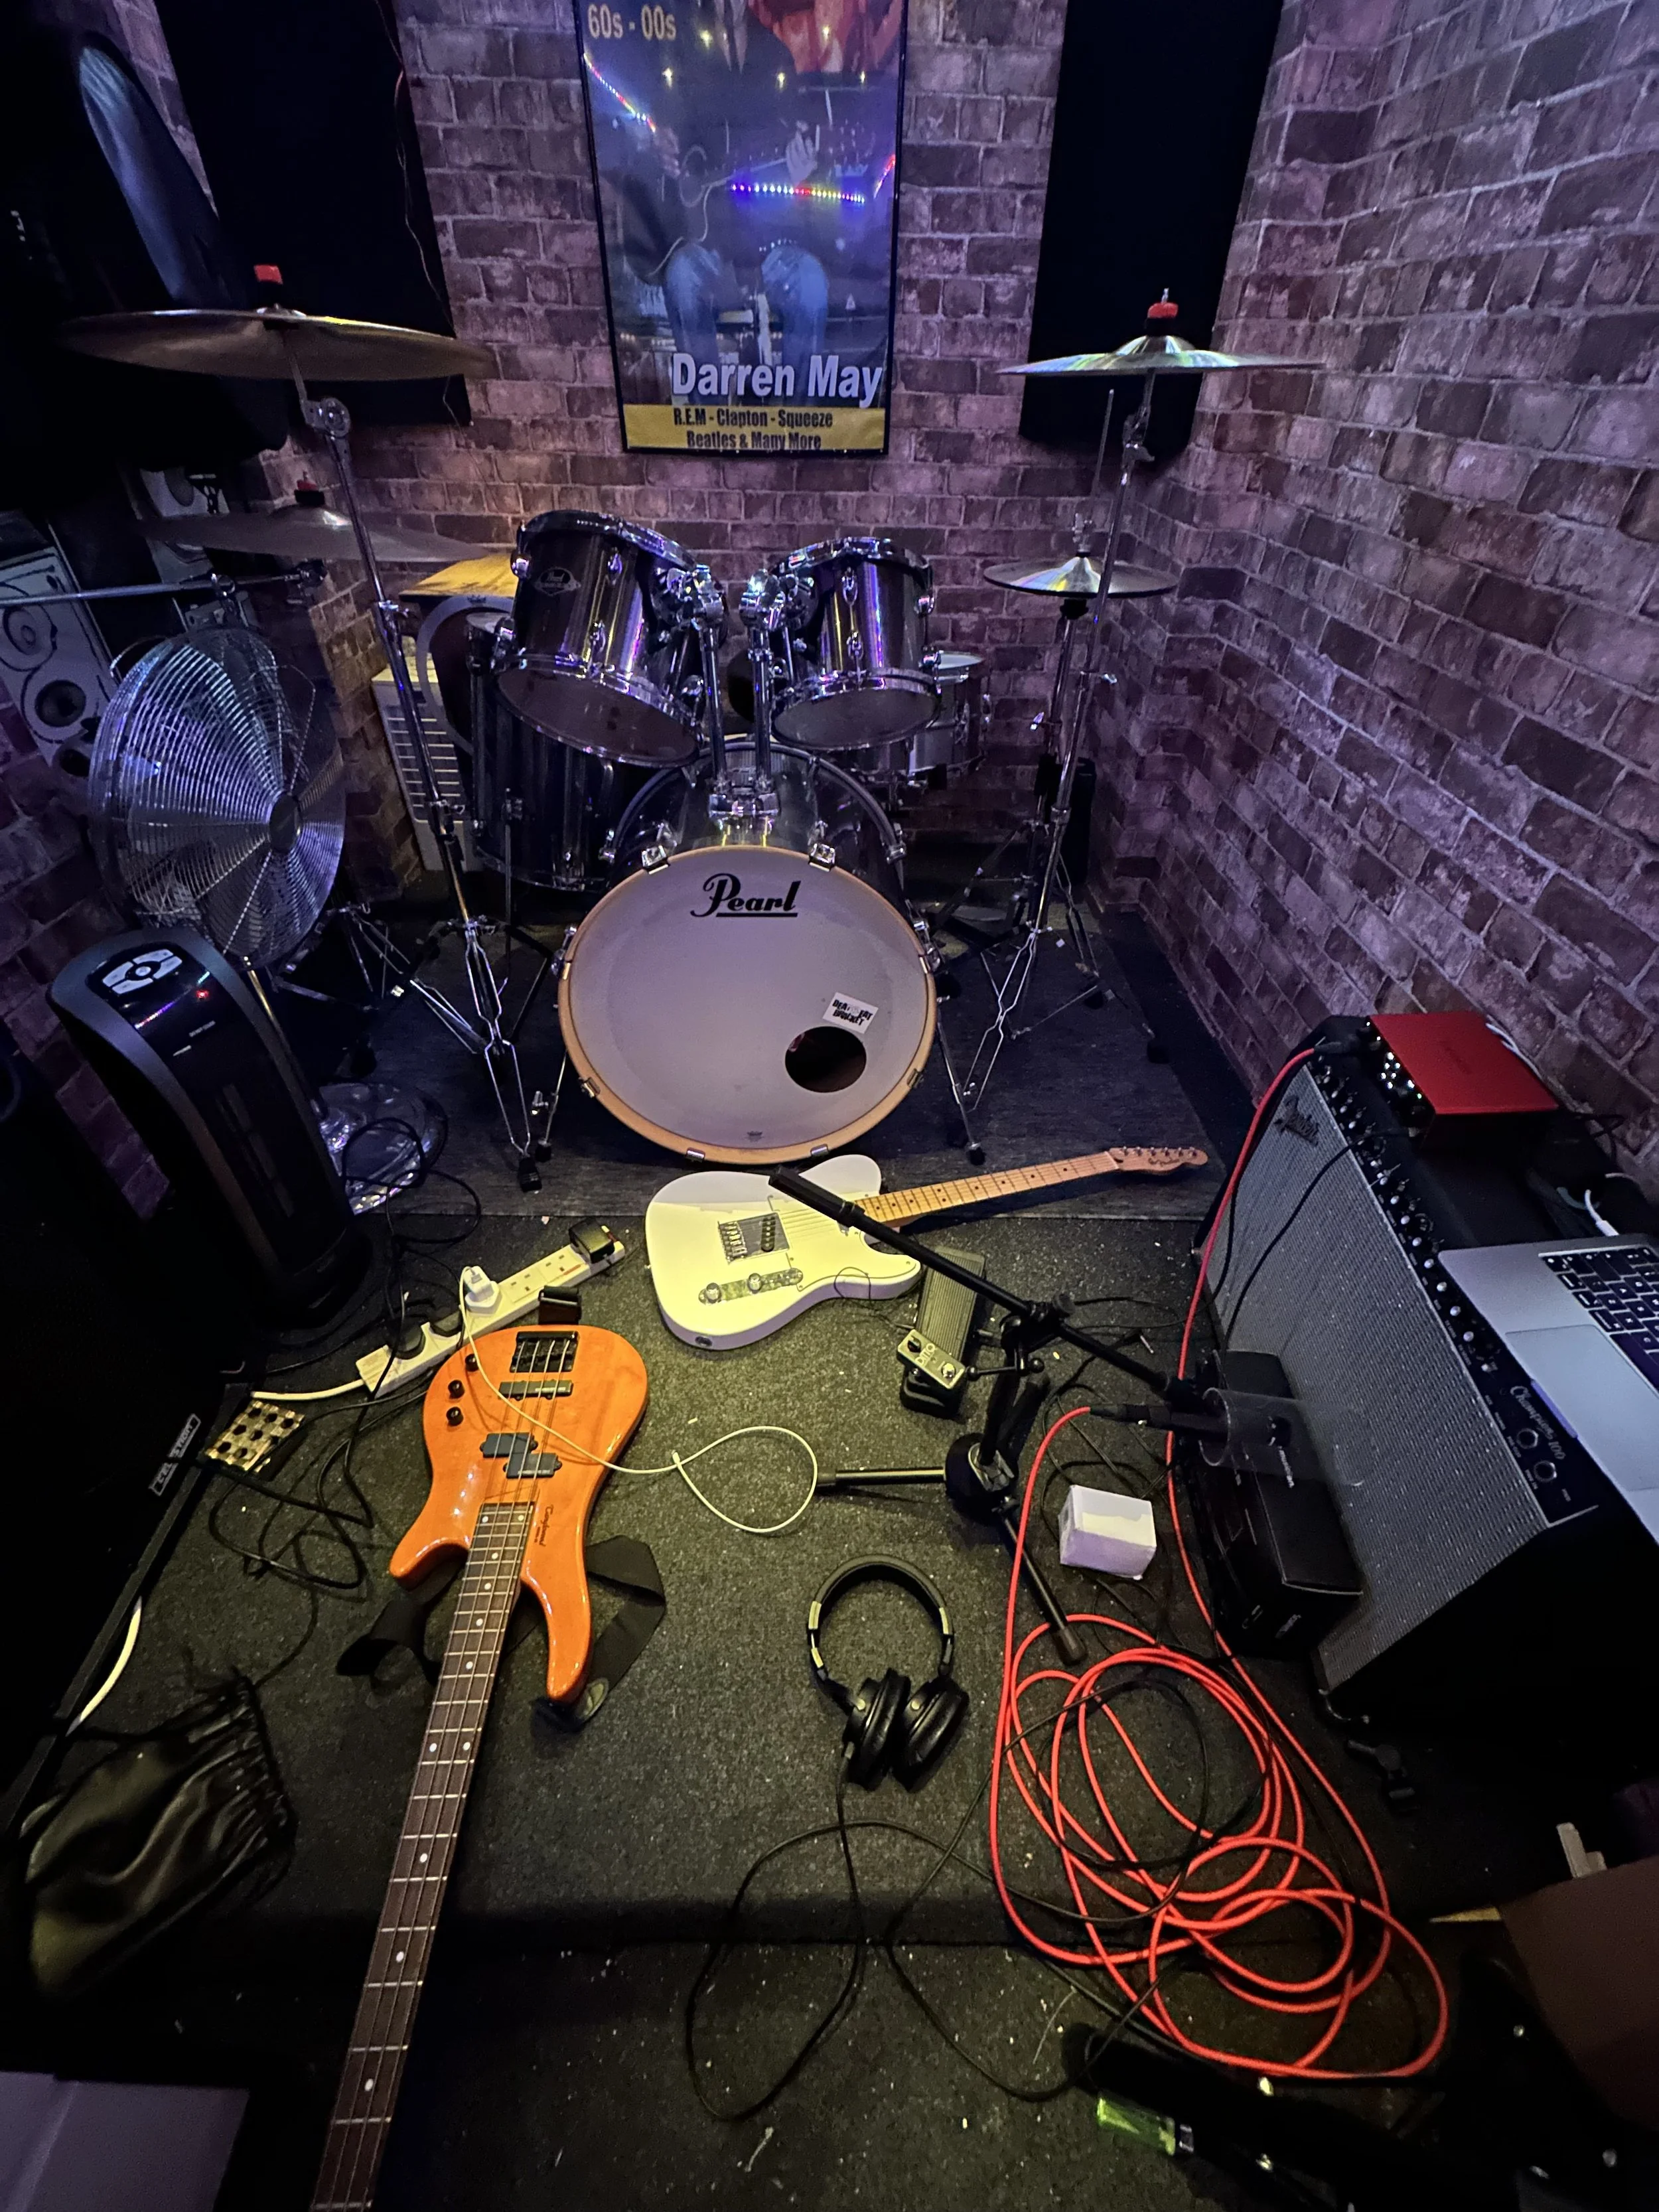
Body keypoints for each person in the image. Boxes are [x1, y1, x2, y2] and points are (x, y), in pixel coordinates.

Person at [654, 0, 829, 397]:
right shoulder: (683, 51)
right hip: (702, 241)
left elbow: (790, 144)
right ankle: (709, 422)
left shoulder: (775, 56)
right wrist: (662, 146)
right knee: (681, 278)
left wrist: (798, 171)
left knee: (811, 284)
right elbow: (663, 120)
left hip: (763, 240)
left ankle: (798, 426)